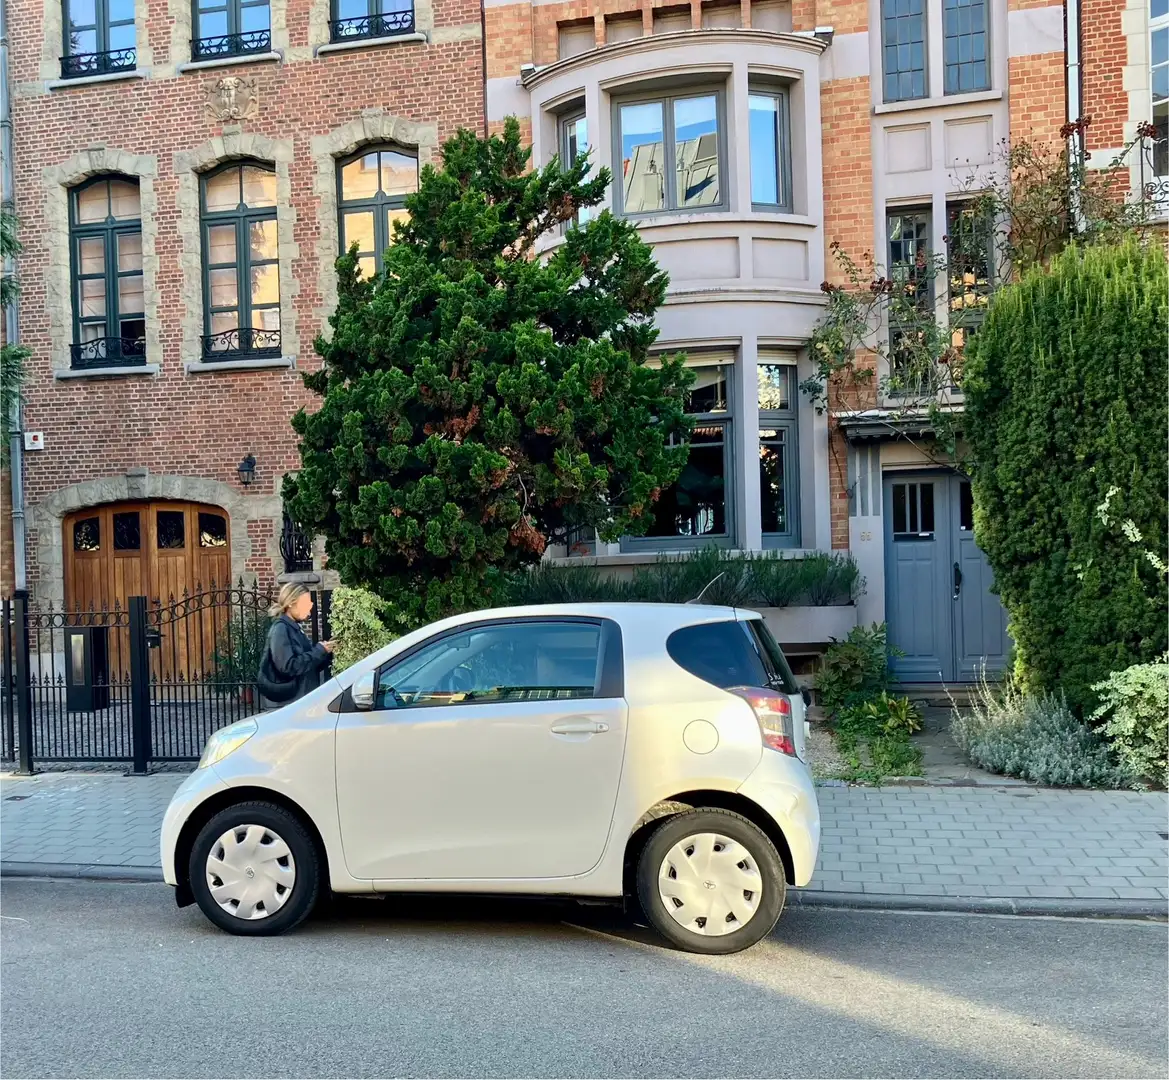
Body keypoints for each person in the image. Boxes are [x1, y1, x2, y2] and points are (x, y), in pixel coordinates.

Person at [258, 584, 335, 705]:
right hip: (290, 704)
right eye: (305, 602)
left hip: (301, 700)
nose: (310, 606)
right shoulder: (281, 629)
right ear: (290, 603)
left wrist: (326, 653)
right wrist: (319, 651)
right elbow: (288, 666)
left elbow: (308, 666)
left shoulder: (295, 628)